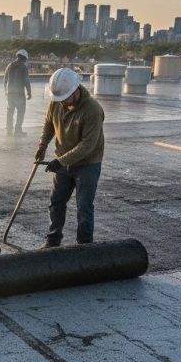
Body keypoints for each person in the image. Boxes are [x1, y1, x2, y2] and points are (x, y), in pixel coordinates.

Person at [34, 68, 105, 248]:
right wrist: (42, 146)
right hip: (63, 161)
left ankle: (84, 245)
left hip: (87, 164)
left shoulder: (93, 110)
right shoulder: (57, 102)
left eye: (65, 98)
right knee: (56, 201)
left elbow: (87, 145)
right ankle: (53, 240)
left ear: (76, 90)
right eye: (59, 99)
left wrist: (60, 161)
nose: (62, 102)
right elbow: (49, 124)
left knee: (84, 206)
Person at [4, 49, 32, 136]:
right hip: (19, 94)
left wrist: (6, 90)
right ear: (24, 58)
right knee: (21, 112)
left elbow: (5, 79)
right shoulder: (24, 67)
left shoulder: (10, 65)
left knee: (10, 112)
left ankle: (9, 130)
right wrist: (29, 92)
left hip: (10, 93)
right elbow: (26, 81)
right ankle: (17, 130)